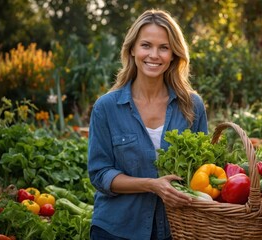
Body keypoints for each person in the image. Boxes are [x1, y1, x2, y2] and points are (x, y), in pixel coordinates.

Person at [87, 9, 209, 240]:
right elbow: (100, 174)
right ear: (132, 49)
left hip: (177, 229)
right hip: (117, 229)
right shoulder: (107, 107)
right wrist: (152, 185)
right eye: (146, 45)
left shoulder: (192, 105)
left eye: (163, 47)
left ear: (173, 54)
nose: (154, 54)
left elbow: (203, 168)